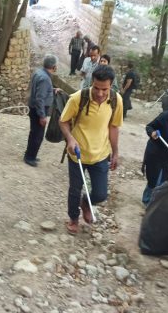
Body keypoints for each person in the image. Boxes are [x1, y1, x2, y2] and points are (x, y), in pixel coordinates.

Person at [59, 65, 123, 234]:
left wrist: (115, 152)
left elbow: (114, 127)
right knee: (75, 190)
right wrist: (70, 139)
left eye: (104, 89)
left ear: (111, 86)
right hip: (77, 154)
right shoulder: (78, 98)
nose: (100, 93)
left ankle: (86, 202)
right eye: (96, 88)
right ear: (91, 82)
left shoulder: (116, 101)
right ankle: (73, 218)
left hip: (101, 154)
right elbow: (63, 121)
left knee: (101, 194)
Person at [24, 54, 57, 167]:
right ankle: (30, 157)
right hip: (39, 110)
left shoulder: (39, 73)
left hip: (34, 108)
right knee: (37, 135)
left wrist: (52, 90)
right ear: (54, 66)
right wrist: (42, 116)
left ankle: (29, 154)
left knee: (34, 133)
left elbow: (41, 91)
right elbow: (40, 98)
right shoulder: (45, 79)